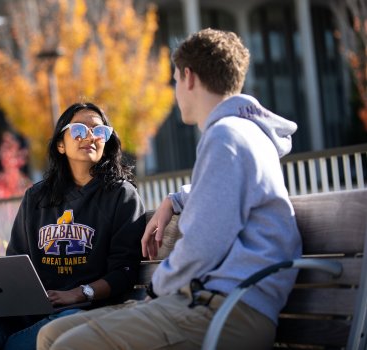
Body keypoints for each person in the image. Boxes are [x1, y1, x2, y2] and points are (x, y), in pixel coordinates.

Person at [37, 28, 302, 350]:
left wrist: (156, 289)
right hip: (209, 303)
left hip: (227, 310)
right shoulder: (240, 134)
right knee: (50, 335)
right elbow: (224, 191)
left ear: (188, 77)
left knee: (70, 345)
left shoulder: (226, 137)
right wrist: (174, 199)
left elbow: (203, 246)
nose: (177, 91)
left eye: (175, 80)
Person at [0, 102, 146, 350]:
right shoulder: (37, 198)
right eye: (80, 130)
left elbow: (124, 271)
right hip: (35, 307)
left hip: (88, 308)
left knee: (31, 339)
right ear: (61, 144)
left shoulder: (121, 196)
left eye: (100, 132)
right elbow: (17, 260)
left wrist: (79, 293)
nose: (91, 137)